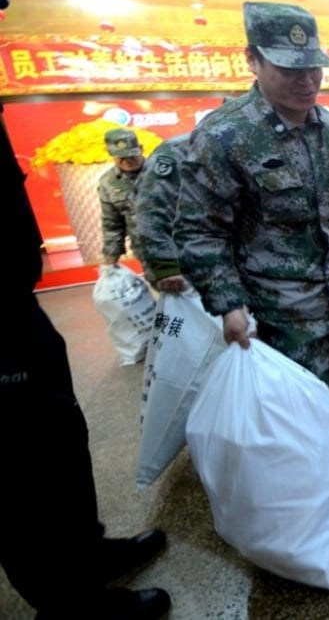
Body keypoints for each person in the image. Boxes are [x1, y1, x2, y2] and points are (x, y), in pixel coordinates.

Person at [173, 1, 329, 530]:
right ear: (252, 61)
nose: (307, 80)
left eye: (313, 66)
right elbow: (199, 228)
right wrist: (227, 304)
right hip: (281, 303)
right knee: (317, 393)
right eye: (290, 68)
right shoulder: (225, 136)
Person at [0, 103, 172, 619]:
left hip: (13, 304)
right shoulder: (109, 187)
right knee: (18, 463)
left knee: (57, 437)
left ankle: (83, 551)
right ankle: (69, 602)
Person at [134, 133, 190, 294]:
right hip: (191, 263)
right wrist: (166, 266)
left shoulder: (256, 144)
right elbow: (152, 211)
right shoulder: (177, 151)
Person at [97, 127, 146, 265]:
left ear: (141, 149)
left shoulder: (163, 172)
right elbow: (112, 224)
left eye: (132, 155)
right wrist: (110, 261)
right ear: (111, 154)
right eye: (121, 157)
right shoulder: (108, 183)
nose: (128, 161)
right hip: (148, 253)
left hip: (182, 246)